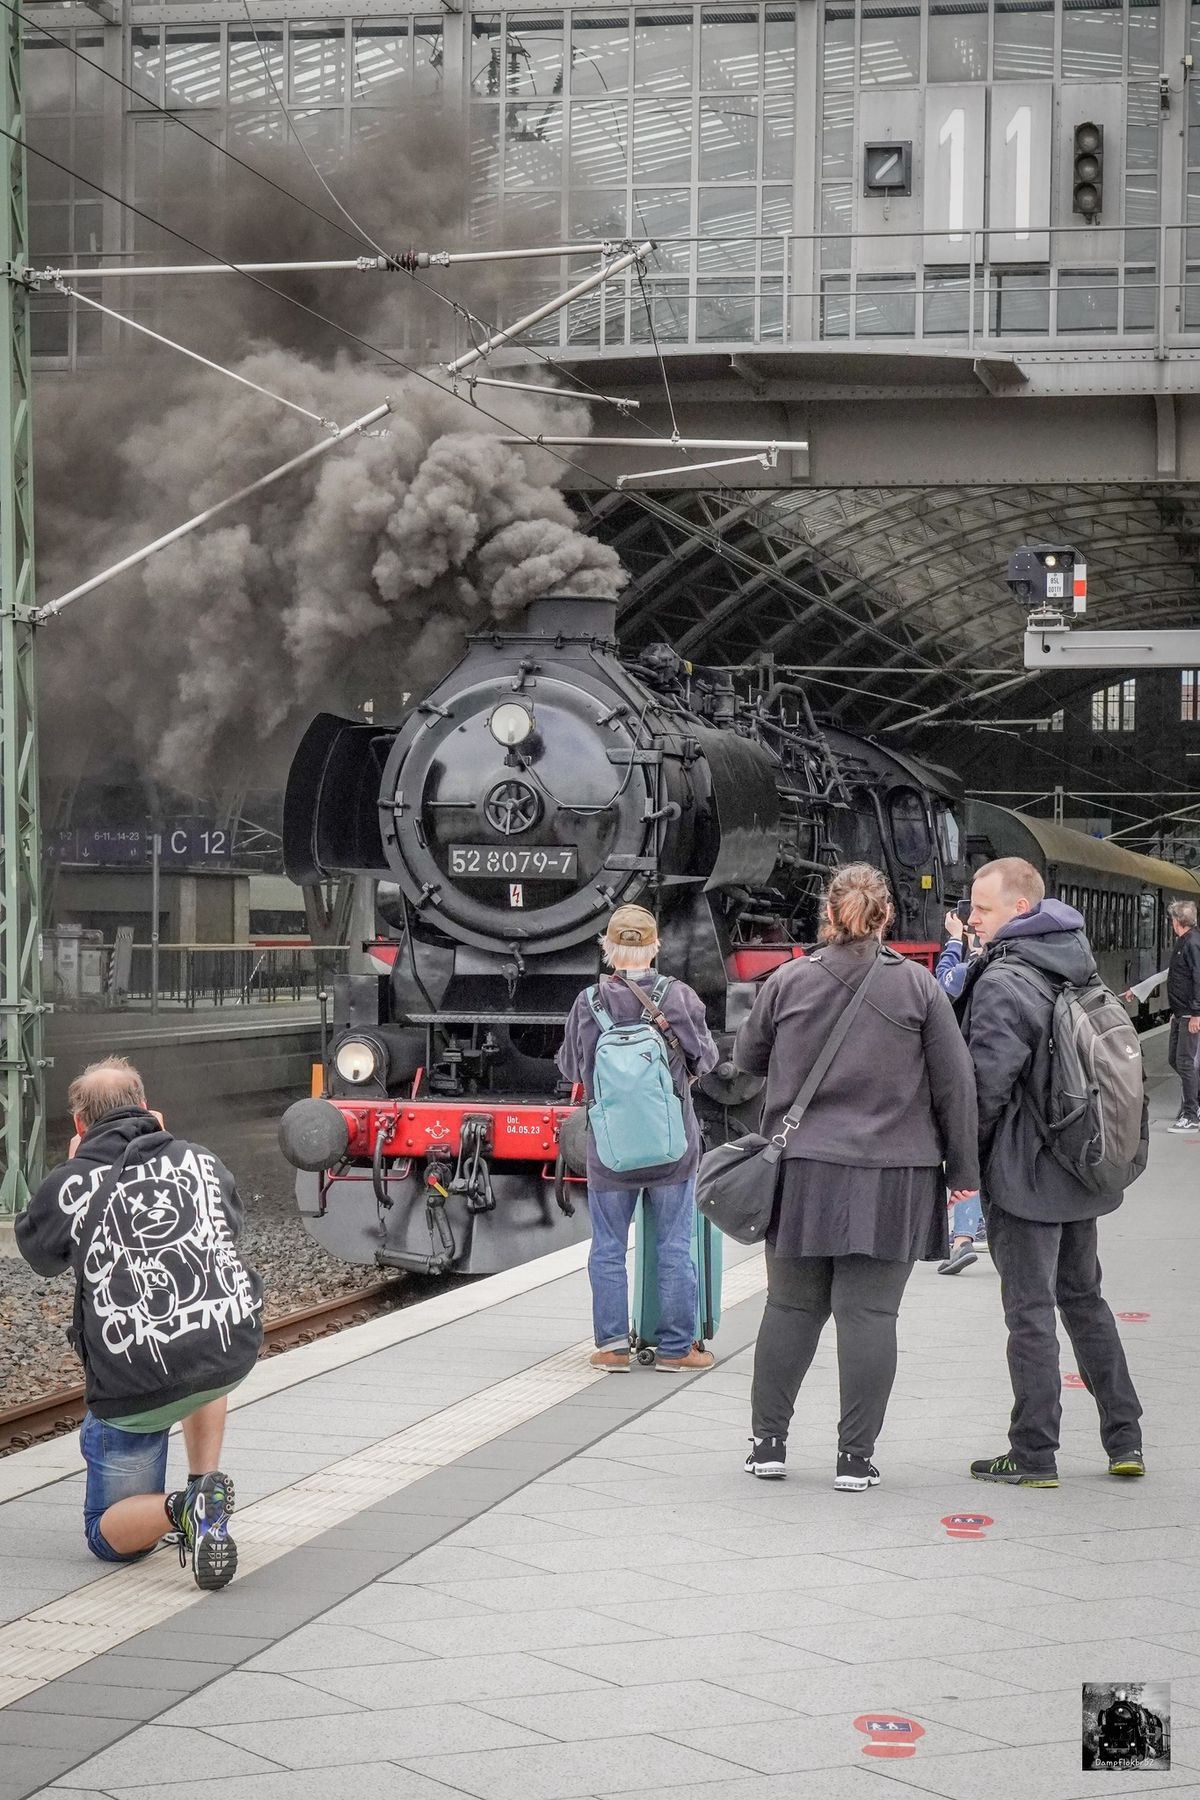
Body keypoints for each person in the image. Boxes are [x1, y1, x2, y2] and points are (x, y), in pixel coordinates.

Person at [732, 864, 979, 1490]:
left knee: (790, 1307)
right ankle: (855, 1458)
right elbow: (956, 1087)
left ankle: (768, 1445)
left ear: (828, 914)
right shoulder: (921, 991)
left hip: (804, 1170)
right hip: (895, 1174)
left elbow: (747, 1061)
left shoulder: (787, 981)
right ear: (886, 916)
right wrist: (964, 1175)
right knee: (869, 1315)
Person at [15, 1056, 262, 1589]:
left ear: (80, 1125)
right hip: (230, 1352)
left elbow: (39, 1253)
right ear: (152, 1111)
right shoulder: (200, 1159)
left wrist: (73, 1171)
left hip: (133, 1388)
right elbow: (229, 1225)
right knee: (199, 1341)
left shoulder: (70, 1182)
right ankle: (205, 1481)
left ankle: (186, 1508)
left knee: (110, 1540)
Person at [957, 858, 1146, 1488]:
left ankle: (1035, 1454)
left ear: (1018, 909)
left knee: (1030, 1313)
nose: (971, 919)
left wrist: (964, 1166)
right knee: (1085, 1300)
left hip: (1023, 1177)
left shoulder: (1005, 981)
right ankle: (1126, 1439)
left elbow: (985, 1088)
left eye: (981, 909)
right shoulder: (1076, 960)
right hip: (1080, 1166)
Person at [558, 904, 719, 1375]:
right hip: (673, 1148)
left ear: (608, 949)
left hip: (610, 1151)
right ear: (655, 948)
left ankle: (611, 1347)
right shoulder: (678, 996)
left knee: (607, 1246)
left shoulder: (587, 1003)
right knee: (674, 1246)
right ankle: (676, 1350)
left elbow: (571, 1068)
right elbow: (705, 1058)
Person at [1164, 899, 1200, 1132]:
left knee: (1186, 1063)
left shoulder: (1193, 944)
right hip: (1181, 1013)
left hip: (1190, 1014)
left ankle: (1191, 1115)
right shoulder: (1184, 942)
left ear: (1178, 921)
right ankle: (1195, 1104)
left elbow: (1198, 978)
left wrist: (1196, 1013)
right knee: (1175, 1060)